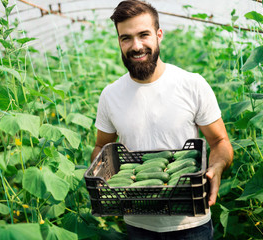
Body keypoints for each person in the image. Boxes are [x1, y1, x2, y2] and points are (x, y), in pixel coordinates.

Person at [90, 0, 234, 239]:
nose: (136, 46)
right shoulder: (110, 95)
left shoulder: (192, 84)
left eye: (144, 35)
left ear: (159, 35)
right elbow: (100, 146)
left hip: (191, 225)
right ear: (118, 41)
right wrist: (103, 177)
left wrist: (217, 167)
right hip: (137, 225)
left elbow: (220, 142)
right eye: (126, 38)